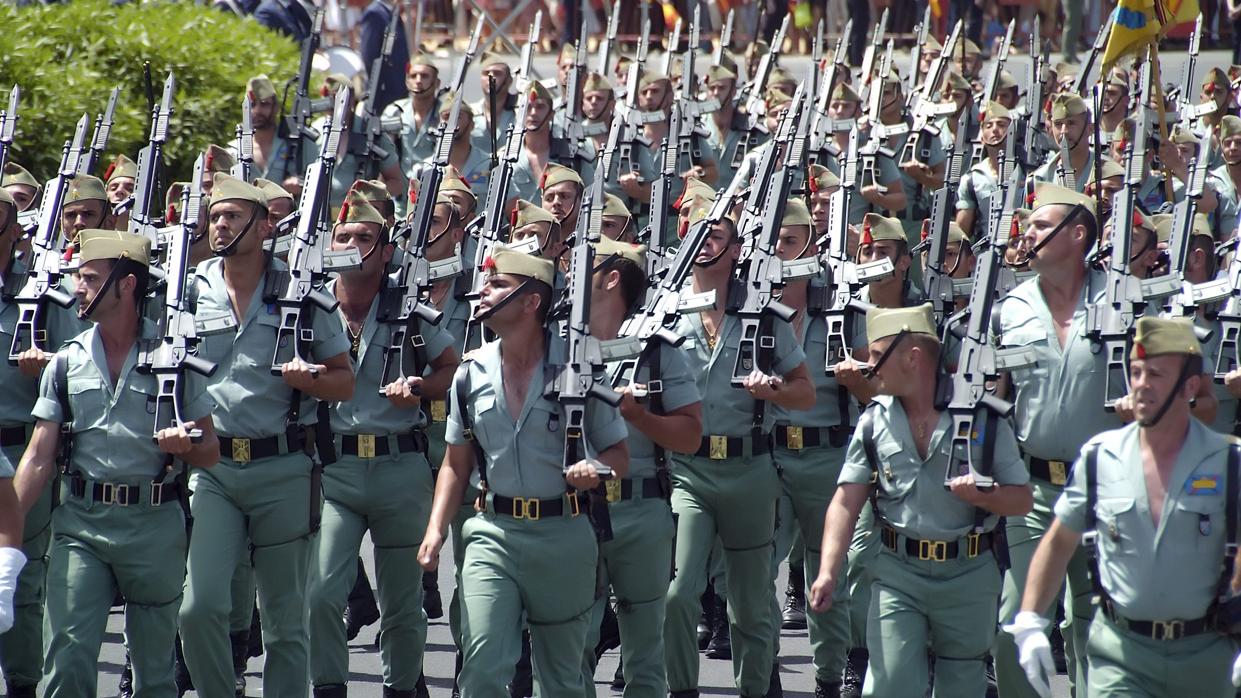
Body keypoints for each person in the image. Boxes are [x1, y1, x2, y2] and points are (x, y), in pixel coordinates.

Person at [417, 244, 630, 697]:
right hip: (492, 533)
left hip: (564, 536)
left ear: (532, 301)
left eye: (497, 285)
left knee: (563, 680)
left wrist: (597, 469)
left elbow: (619, 453)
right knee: (481, 669)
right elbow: (456, 464)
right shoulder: (469, 373)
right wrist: (436, 530)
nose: (483, 293)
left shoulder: (580, 367)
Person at [14, 229, 219, 697]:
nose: (77, 288)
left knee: (152, 675)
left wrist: (184, 446)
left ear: (126, 285)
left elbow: (211, 451)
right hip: (81, 525)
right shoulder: (65, 363)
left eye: (88, 278)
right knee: (66, 659)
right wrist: (8, 531)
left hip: (153, 525)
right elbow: (39, 455)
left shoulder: (174, 359)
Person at [178, 174, 354, 698]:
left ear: (265, 225)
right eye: (215, 216)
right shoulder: (189, 288)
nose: (222, 224)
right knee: (198, 607)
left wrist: (313, 379)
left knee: (283, 624)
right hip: (213, 468)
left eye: (233, 215)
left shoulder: (303, 295)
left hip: (283, 468)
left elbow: (345, 381)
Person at [1007, 316, 1241, 698]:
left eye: (1157, 374)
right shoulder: (1101, 458)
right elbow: (1059, 540)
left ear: (1190, 386)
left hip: (1206, 654)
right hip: (1121, 654)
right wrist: (1031, 619)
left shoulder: (1229, 462)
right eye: (1135, 372)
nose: (1142, 385)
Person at [810, 302, 1032, 698]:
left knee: (961, 688)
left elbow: (1022, 500)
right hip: (899, 574)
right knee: (891, 684)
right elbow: (845, 501)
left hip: (969, 574)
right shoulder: (874, 420)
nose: (869, 367)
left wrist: (988, 495)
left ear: (912, 358)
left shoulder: (982, 418)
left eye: (877, 356)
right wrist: (828, 570)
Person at [308, 190, 458, 698]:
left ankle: (401, 687)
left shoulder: (407, 309)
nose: (352, 244)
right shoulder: (309, 308)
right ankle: (329, 686)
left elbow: (449, 368)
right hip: (336, 471)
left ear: (386, 250)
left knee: (402, 602)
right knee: (324, 593)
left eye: (364, 238)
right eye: (343, 236)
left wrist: (417, 387)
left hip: (400, 468)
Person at [663, 205, 815, 698]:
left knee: (749, 605)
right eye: (697, 234)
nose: (704, 242)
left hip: (749, 469)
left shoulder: (763, 318)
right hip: (689, 470)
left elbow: (805, 391)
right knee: (679, 593)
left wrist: (773, 390)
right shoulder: (665, 314)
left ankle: (755, 687)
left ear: (735, 250)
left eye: (717, 235)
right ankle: (682, 689)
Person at [991, 182, 1124, 698]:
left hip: (1104, 489)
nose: (1030, 232)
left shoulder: (1121, 304)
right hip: (1032, 488)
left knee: (1091, 624)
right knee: (1017, 619)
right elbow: (992, 401)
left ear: (1078, 234)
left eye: (1043, 226)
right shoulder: (1009, 308)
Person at [585, 235, 702, 696]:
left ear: (612, 278)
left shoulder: (656, 350)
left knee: (644, 654)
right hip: (577, 509)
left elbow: (690, 436)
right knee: (570, 647)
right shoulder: (556, 344)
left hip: (640, 507)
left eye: (587, 263)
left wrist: (641, 417)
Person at [767, 197, 855, 697]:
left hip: (825, 455)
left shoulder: (838, 314)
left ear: (812, 249)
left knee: (827, 572)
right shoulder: (755, 310)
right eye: (774, 242)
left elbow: (870, 390)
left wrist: (856, 377)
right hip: (771, 453)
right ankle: (763, 667)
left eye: (790, 242)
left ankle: (829, 673)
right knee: (757, 574)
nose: (780, 253)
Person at [0, 187, 84, 698]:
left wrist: (46, 363)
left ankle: (24, 684)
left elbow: (77, 368)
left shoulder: (42, 294)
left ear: (16, 231)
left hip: (20, 448)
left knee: (21, 583)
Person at [383, 54, 442, 182]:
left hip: (435, 186)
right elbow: (385, 155)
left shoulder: (445, 114)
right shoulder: (394, 111)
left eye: (425, 76)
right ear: (406, 81)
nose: (418, 80)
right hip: (401, 189)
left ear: (437, 83)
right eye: (413, 76)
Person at [358, 0, 410, 113]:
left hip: (397, 89)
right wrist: (379, 85)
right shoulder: (374, 14)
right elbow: (369, 55)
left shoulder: (392, 13)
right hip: (383, 93)